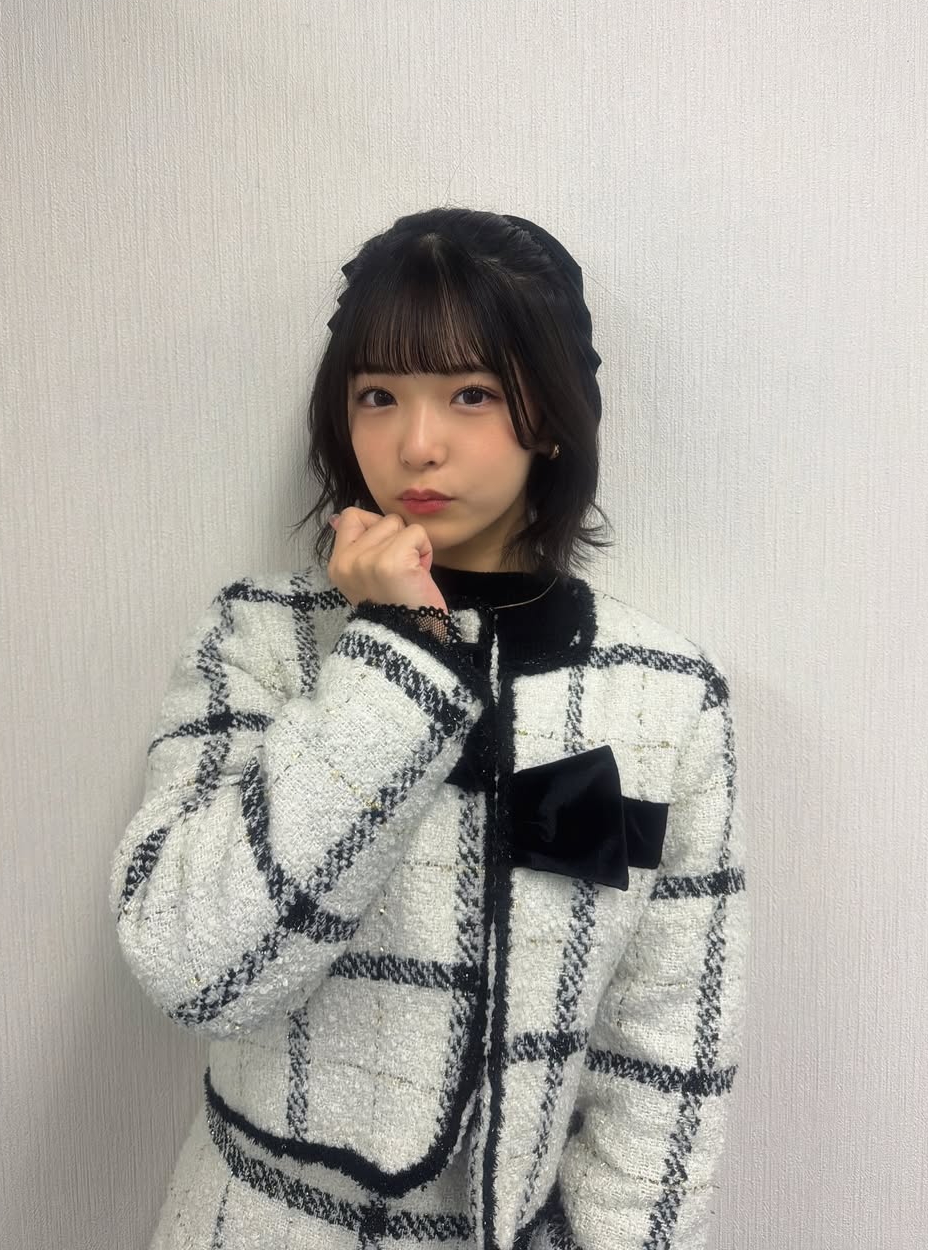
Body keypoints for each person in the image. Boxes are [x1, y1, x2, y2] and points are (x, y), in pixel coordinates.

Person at [109, 207, 750, 1250]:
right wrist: (396, 656)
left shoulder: (665, 695)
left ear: (550, 413)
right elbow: (190, 965)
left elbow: (666, 1056)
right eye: (378, 395)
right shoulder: (260, 638)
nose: (416, 443)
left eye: (471, 394)